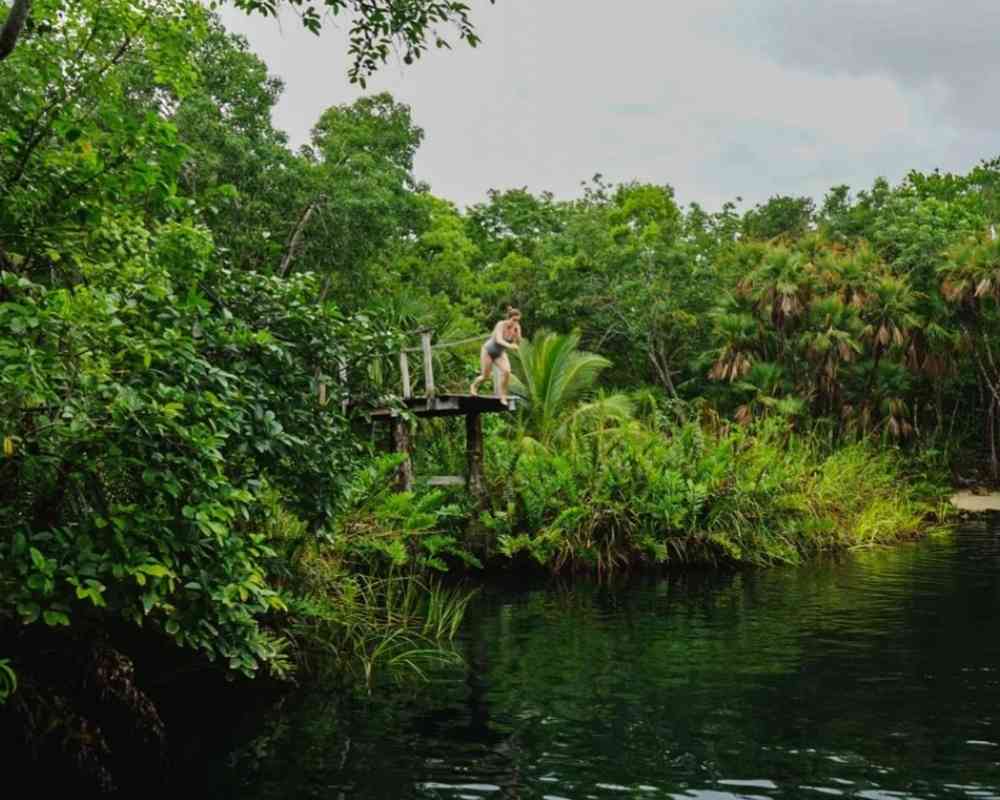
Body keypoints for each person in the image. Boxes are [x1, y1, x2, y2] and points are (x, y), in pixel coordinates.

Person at [470, 307, 522, 405]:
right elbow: (498, 340)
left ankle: (503, 395)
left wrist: (518, 333)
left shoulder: (515, 329)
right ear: (509, 318)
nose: (515, 322)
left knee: (507, 371)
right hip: (488, 351)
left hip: (499, 353)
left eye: (517, 321)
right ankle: (473, 386)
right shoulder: (500, 324)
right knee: (486, 376)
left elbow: (517, 343)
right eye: (514, 320)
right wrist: (510, 346)